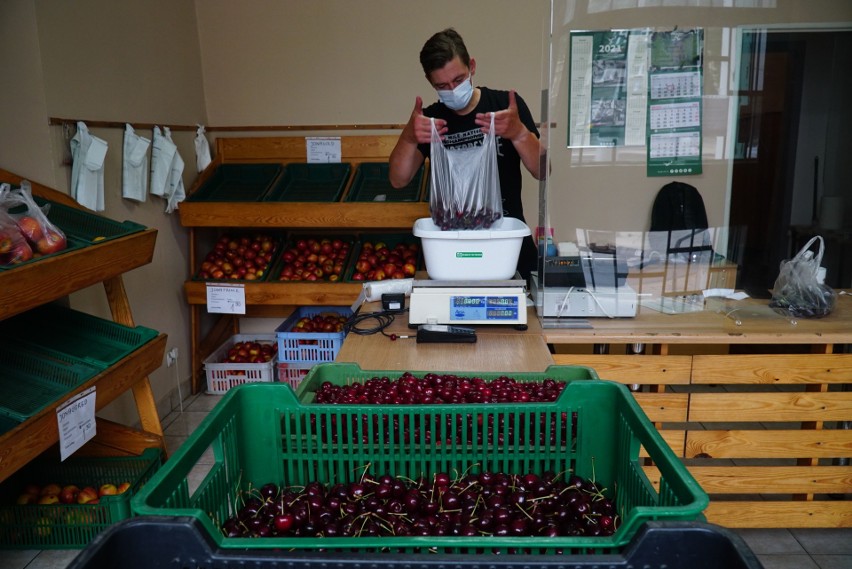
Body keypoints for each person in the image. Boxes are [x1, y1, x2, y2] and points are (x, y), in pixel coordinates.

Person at [389, 28, 544, 280]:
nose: (452, 90)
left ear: (472, 66)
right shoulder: (430, 120)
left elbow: (543, 170)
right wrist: (408, 136)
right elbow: (398, 179)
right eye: (442, 85)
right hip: (451, 253)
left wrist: (519, 134)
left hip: (507, 246)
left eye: (458, 80)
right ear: (430, 82)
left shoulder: (504, 107)